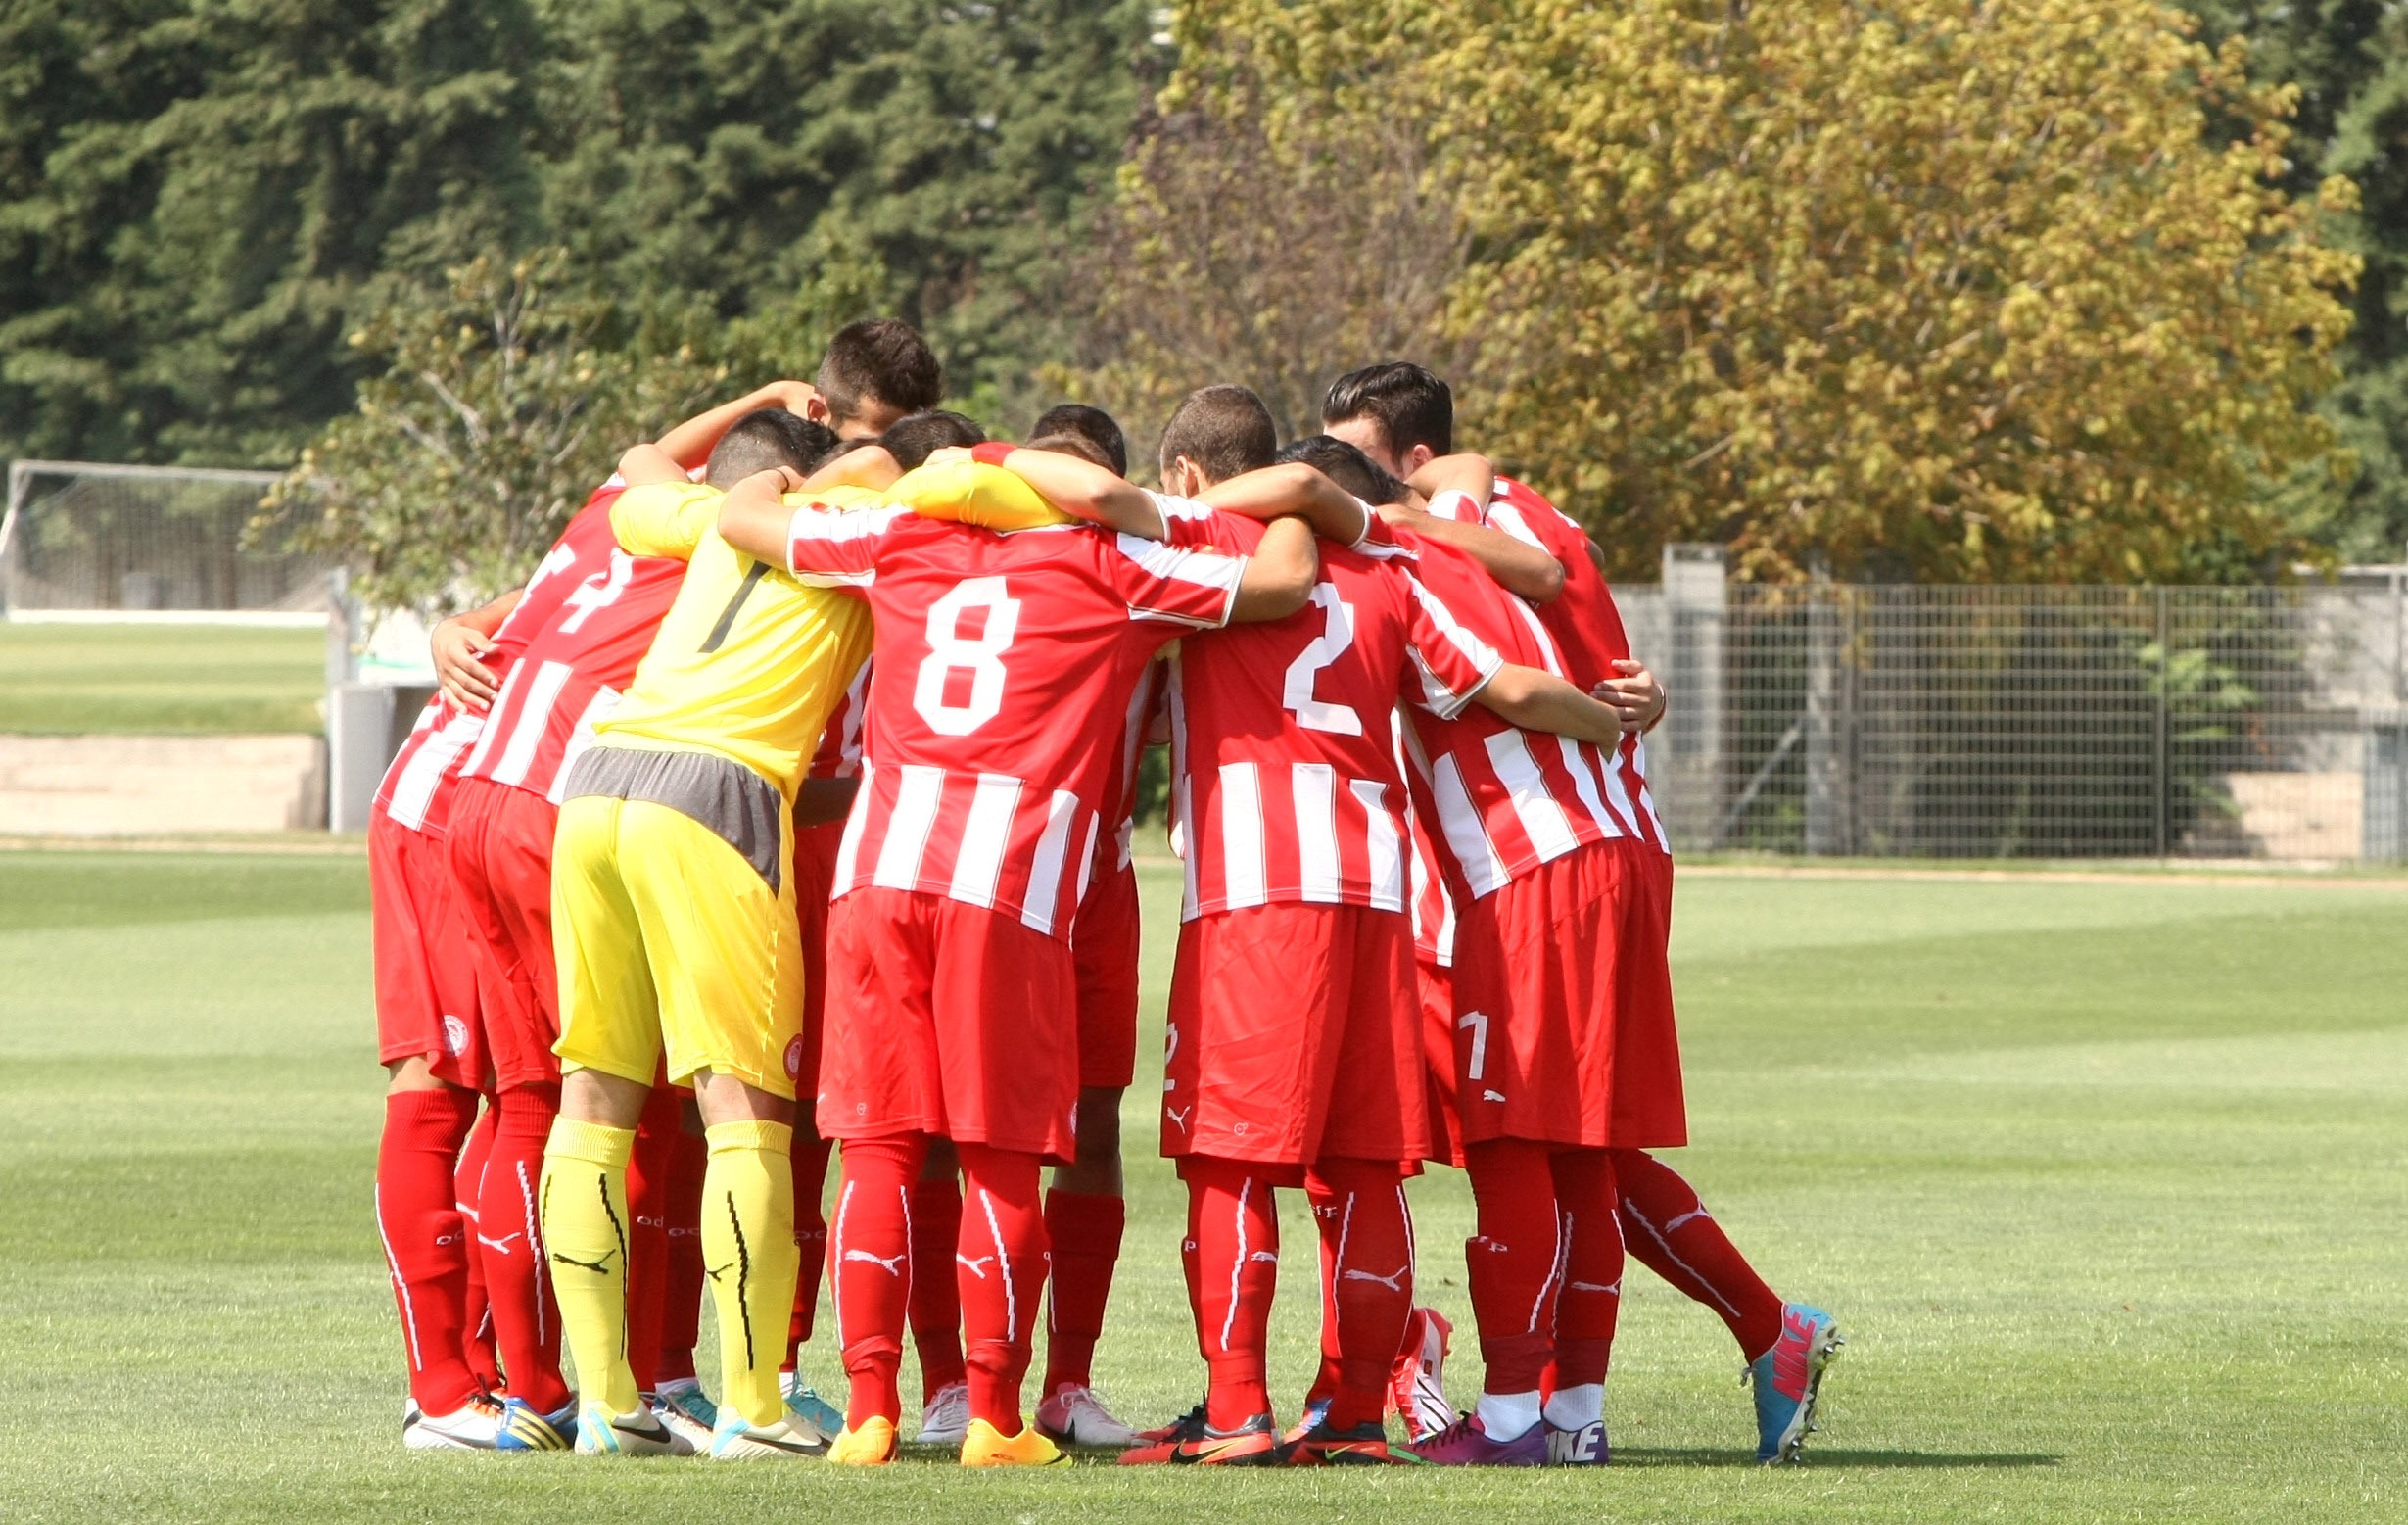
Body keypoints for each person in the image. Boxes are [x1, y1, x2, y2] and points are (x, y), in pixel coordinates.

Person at [715, 453, 1318, 1466]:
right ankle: (994, 1413)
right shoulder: (1107, 563)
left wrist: (791, 469)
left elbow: (741, 517)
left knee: (878, 1148)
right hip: (1007, 881)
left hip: (875, 869)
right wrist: (1312, 499)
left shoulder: (901, 539)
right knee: (999, 1153)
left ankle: (869, 1411)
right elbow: (1286, 579)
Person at [1325, 361, 1842, 1464]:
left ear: (1412, 464)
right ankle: (1582, 1408)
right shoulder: (1508, 518)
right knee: (1578, 1146)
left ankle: (1492, 1398)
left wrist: (1402, 517)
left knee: (1508, 1135)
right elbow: (1588, 641)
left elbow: (1537, 647)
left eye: (1356, 467)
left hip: (1520, 859)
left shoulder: (1419, 538)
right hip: (1594, 842)